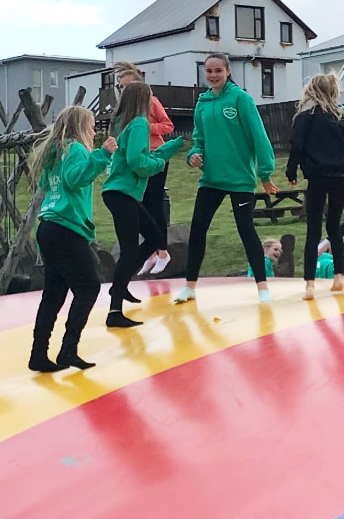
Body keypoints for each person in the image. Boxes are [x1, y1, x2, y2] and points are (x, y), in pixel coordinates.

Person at [175, 52, 277, 306]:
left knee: (246, 230)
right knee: (198, 229)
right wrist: (193, 155)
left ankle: (263, 288)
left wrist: (265, 174)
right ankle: (189, 287)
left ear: (228, 71)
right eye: (209, 71)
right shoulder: (203, 103)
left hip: (240, 179)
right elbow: (198, 140)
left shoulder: (241, 99)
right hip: (211, 179)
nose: (213, 75)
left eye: (218, 70)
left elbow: (259, 137)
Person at [29, 106, 119, 372]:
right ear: (80, 126)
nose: (93, 131)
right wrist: (102, 154)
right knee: (88, 287)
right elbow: (74, 178)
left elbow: (46, 185)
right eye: (91, 126)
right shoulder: (76, 149)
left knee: (54, 292)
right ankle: (68, 349)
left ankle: (38, 354)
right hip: (66, 227)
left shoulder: (54, 152)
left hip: (48, 226)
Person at [102, 80, 187, 327]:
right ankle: (114, 310)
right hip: (123, 192)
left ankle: (120, 286)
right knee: (131, 248)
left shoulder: (121, 123)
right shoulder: (139, 123)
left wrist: (164, 152)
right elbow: (137, 161)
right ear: (143, 99)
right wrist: (159, 164)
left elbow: (137, 155)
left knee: (153, 237)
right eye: (150, 97)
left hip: (117, 191)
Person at [285, 73, 344, 299]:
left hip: (318, 175)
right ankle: (339, 275)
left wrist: (292, 171)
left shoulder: (305, 118)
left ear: (311, 92)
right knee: (334, 226)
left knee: (314, 228)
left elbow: (297, 146)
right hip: (340, 176)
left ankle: (309, 283)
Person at [112, 62, 179, 279]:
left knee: (155, 202)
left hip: (153, 154)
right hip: (137, 157)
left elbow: (168, 126)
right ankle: (150, 252)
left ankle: (163, 251)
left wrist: (144, 127)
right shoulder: (126, 111)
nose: (123, 90)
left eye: (126, 86)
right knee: (141, 205)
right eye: (121, 86)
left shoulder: (150, 103)